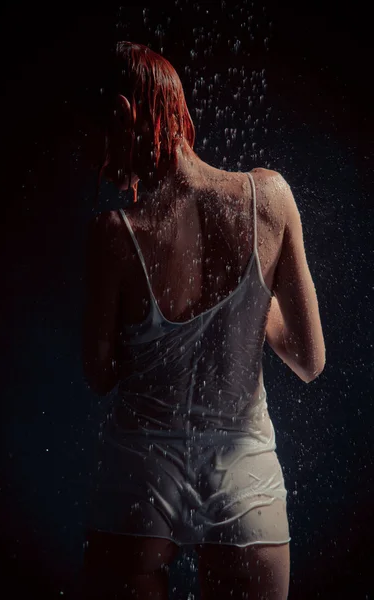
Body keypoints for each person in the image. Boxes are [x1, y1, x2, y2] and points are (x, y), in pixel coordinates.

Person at [80, 41, 326, 600]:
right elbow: (310, 360)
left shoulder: (115, 235)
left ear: (124, 114)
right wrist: (248, 306)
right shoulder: (269, 199)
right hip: (246, 473)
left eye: (95, 136)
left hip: (140, 473)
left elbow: (98, 373)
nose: (95, 157)